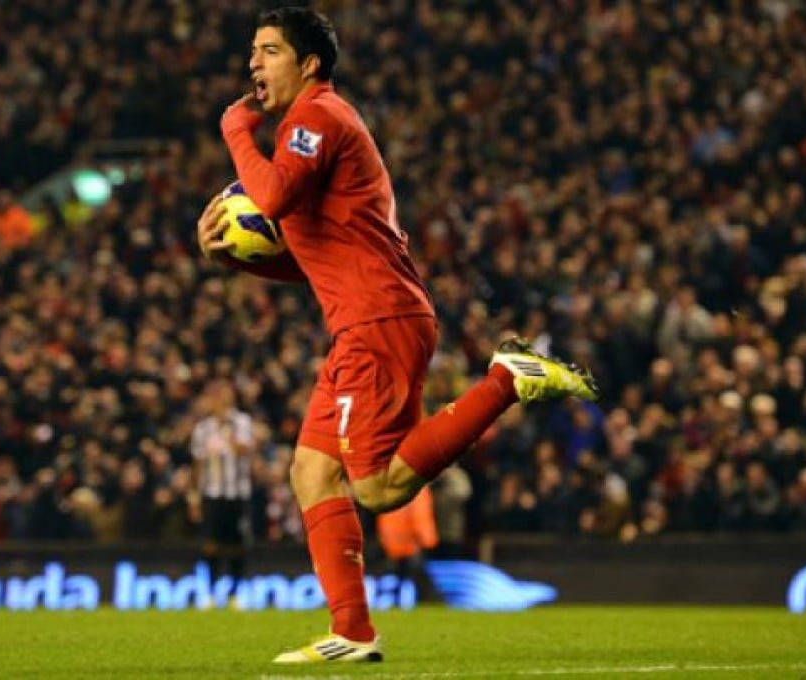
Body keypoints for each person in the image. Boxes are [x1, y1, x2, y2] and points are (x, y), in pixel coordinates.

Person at [196, 7, 597, 663]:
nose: (253, 63)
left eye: (268, 50)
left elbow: (270, 198)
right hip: (365, 320)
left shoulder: (317, 117)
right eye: (253, 51)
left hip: (377, 322)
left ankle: (507, 380)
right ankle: (352, 632)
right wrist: (231, 257)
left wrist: (236, 132)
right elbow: (315, 261)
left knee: (378, 487)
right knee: (311, 472)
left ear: (309, 64)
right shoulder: (313, 128)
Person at [188, 380, 257, 608]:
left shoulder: (242, 423)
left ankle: (234, 594)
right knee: (210, 545)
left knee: (237, 545)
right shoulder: (203, 429)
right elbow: (198, 466)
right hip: (212, 494)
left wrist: (227, 433)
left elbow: (244, 451)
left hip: (237, 495)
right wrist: (193, 497)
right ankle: (209, 592)